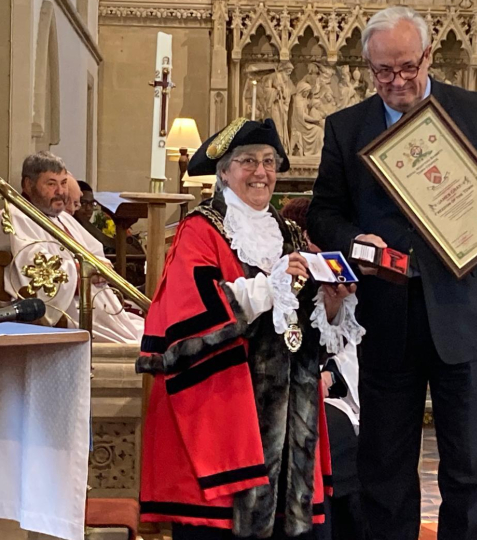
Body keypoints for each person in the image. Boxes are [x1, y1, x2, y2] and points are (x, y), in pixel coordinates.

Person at [307, 7, 477, 540]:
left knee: (473, 470)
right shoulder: (347, 128)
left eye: (407, 67)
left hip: (467, 318)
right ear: (367, 66)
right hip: (387, 318)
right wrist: (351, 239)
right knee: (384, 469)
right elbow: (324, 211)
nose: (397, 81)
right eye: (383, 71)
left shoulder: (475, 111)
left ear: (428, 57)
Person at [135, 118, 365, 540]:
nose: (261, 172)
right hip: (223, 410)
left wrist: (330, 303)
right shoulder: (200, 232)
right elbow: (186, 317)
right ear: (223, 171)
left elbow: (306, 326)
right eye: (247, 162)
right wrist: (270, 287)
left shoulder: (291, 233)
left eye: (268, 162)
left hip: (292, 418)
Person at [0, 151, 144, 343]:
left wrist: (100, 267)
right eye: (51, 183)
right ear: (28, 185)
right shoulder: (15, 216)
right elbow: (33, 270)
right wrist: (84, 273)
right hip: (68, 309)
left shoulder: (62, 217)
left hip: (96, 303)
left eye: (63, 183)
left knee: (147, 331)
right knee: (137, 344)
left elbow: (93, 250)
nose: (61, 191)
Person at [281, 197, 366, 540]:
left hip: (341, 403)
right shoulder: (280, 278)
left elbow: (349, 350)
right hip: (288, 397)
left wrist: (332, 303)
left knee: (337, 436)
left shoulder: (345, 285)